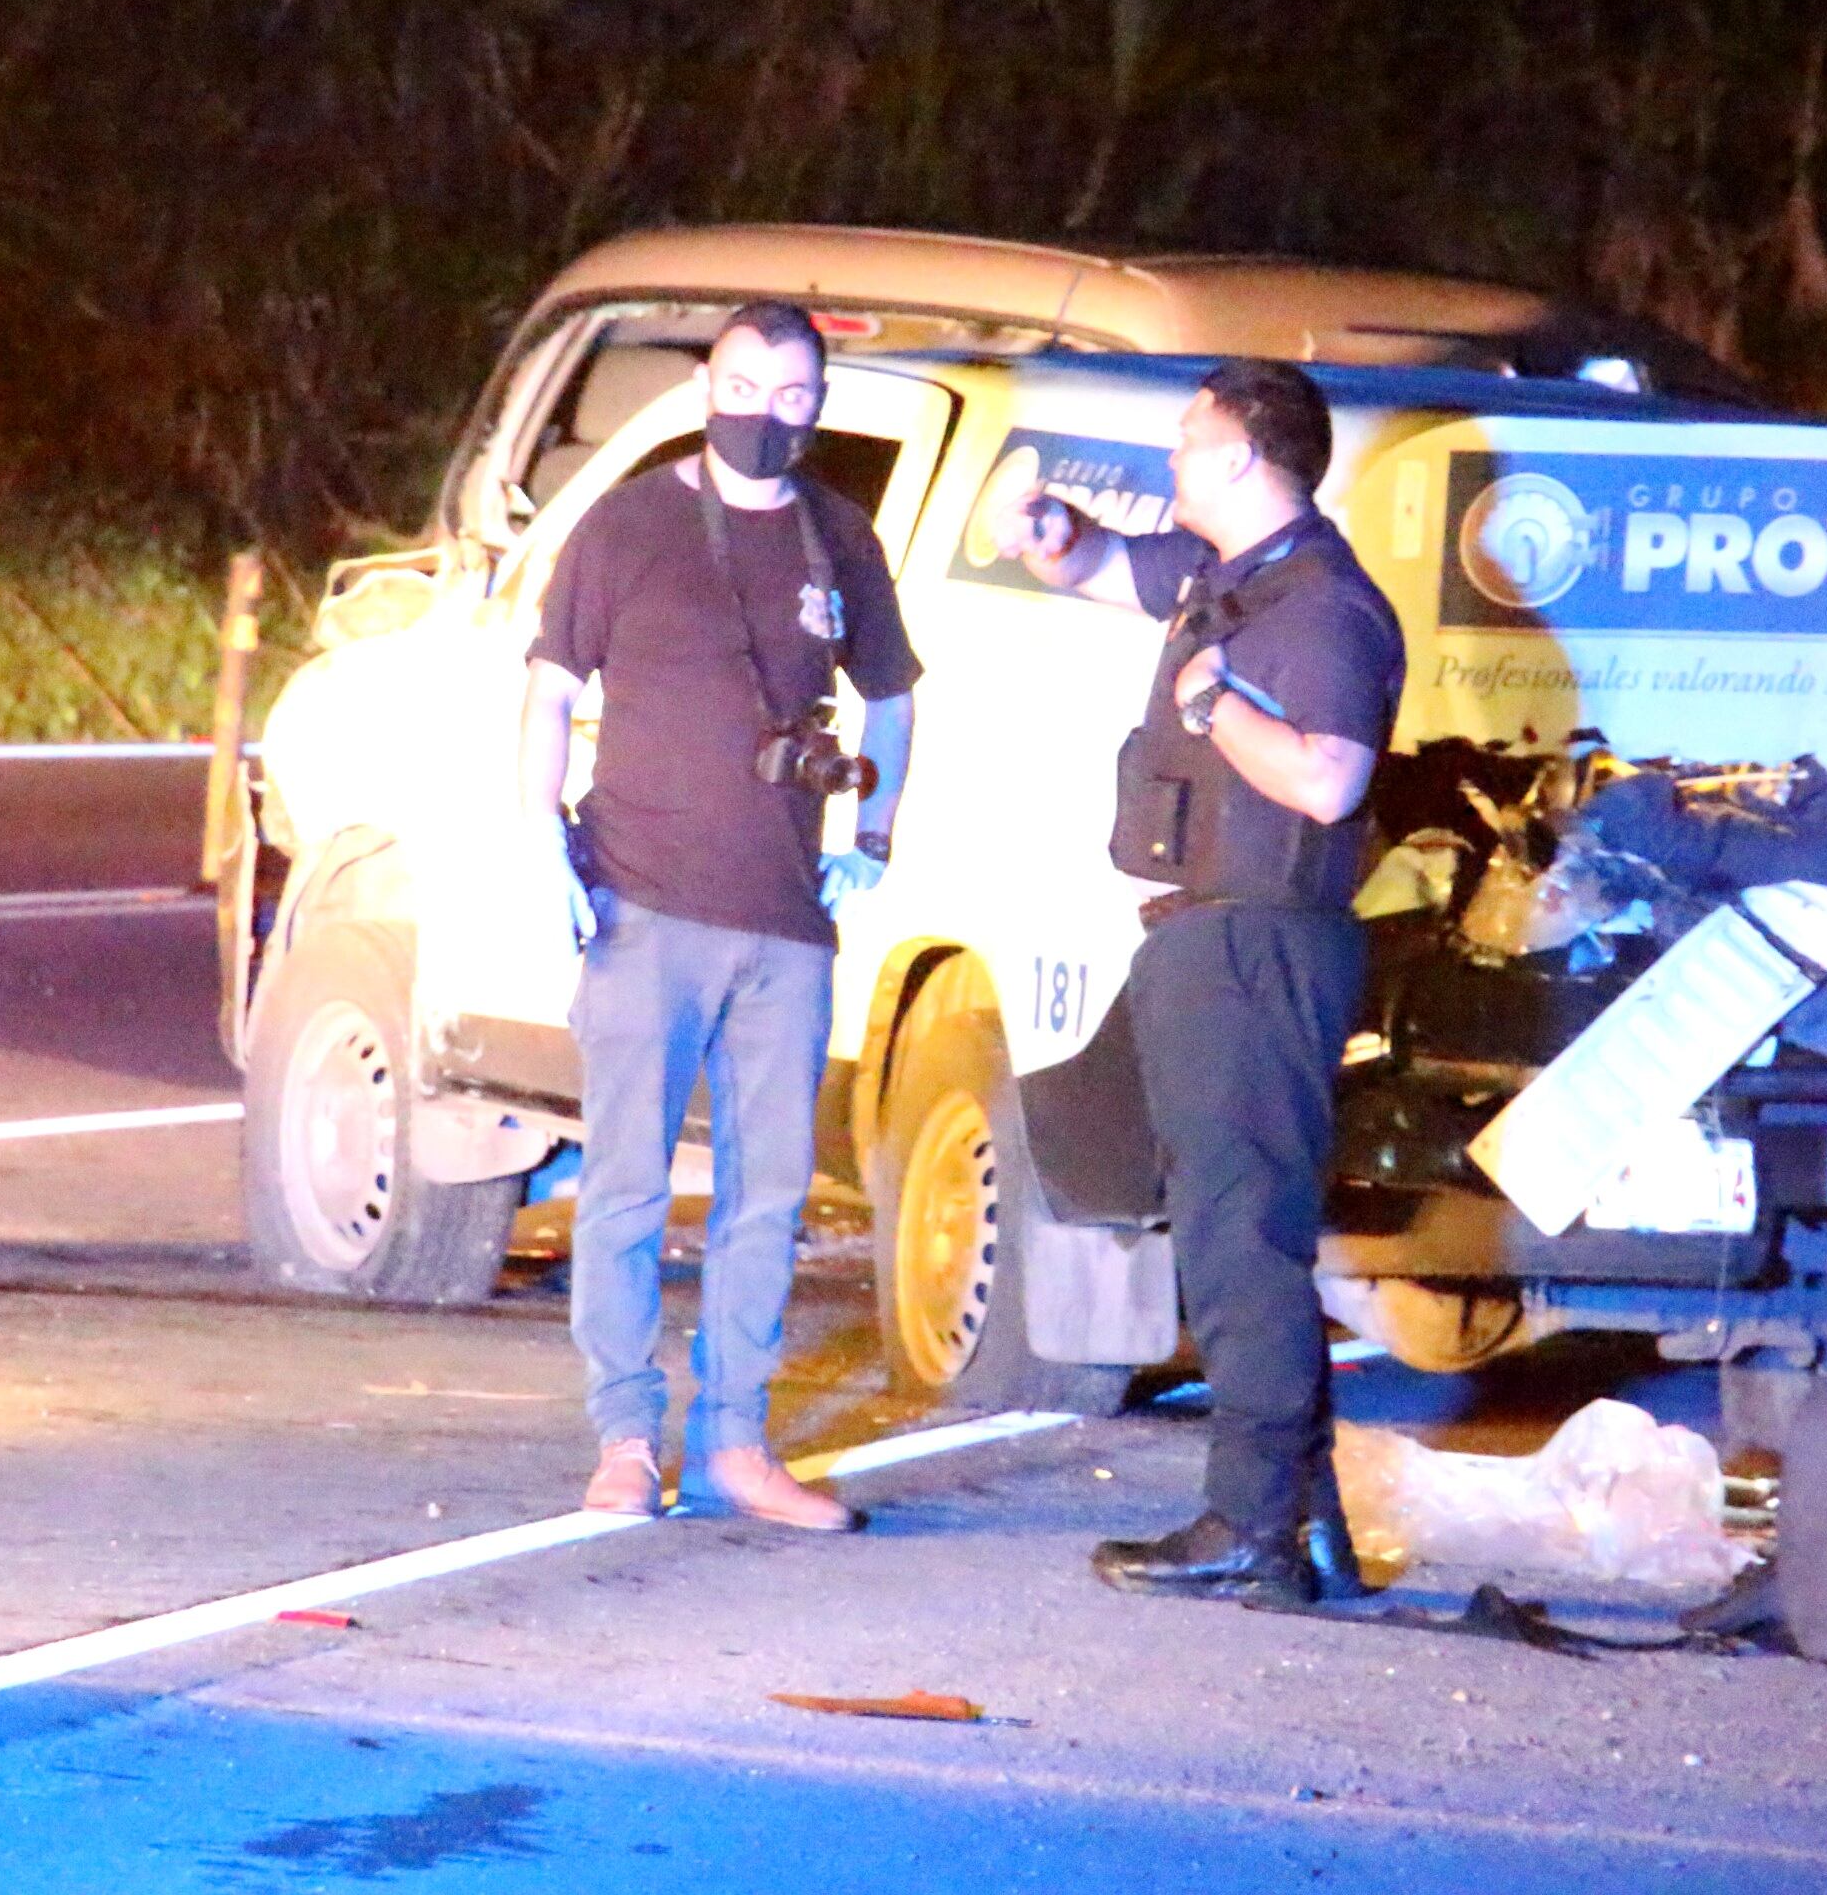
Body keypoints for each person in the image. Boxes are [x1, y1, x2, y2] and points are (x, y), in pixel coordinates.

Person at [521, 301, 920, 1530]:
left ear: (818, 402)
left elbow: (895, 695)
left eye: (793, 394)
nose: (766, 412)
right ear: (709, 381)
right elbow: (550, 682)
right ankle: (626, 1438)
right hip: (645, 899)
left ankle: (738, 1439)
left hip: (786, 921)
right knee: (630, 1183)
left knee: (772, 1190)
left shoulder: (835, 535)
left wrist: (872, 833)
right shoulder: (630, 522)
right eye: (743, 385)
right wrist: (539, 828)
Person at [1014, 357, 1403, 1606]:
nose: (1171, 459)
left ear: (1243, 457)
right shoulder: (1221, 581)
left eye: (1189, 439)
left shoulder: (1326, 609)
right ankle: (1305, 1517)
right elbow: (1088, 567)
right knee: (1196, 1198)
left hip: (1259, 943)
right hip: (1201, 938)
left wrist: (1216, 704)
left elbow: (1329, 780)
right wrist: (1049, 534)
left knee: (1243, 1237)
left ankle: (1249, 1523)